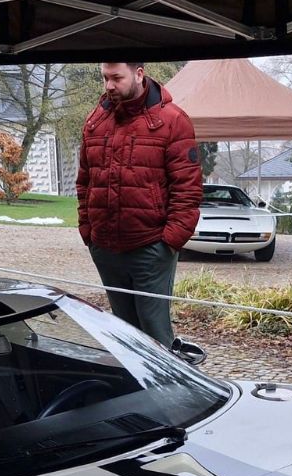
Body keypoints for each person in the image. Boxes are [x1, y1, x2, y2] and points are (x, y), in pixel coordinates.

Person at [77, 61, 206, 364]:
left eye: (116, 78)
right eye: (105, 78)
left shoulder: (172, 120)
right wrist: (88, 232)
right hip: (105, 247)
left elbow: (187, 189)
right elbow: (84, 180)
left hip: (150, 247)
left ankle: (170, 390)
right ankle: (132, 388)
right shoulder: (95, 120)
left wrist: (169, 242)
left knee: (155, 335)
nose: (109, 85)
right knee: (123, 333)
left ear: (139, 74)